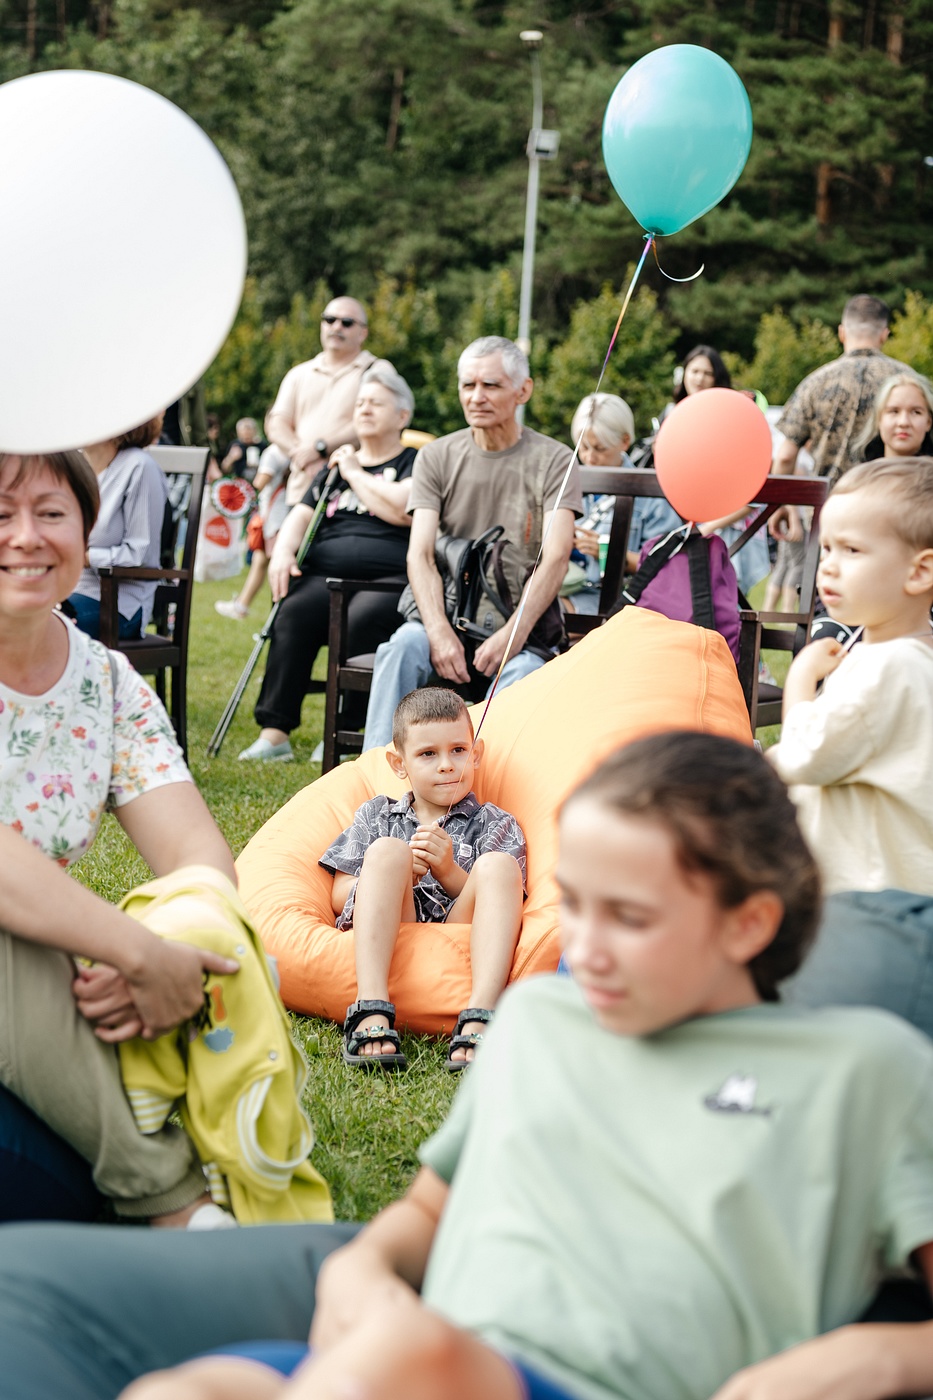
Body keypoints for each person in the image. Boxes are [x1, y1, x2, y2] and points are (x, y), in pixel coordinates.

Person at [121, 731, 933, 1400]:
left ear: (747, 923)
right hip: (418, 1366)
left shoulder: (863, 1070)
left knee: (411, 1359)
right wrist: (360, 1266)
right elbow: (432, 1212)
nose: (585, 946)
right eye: (573, 904)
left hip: (568, 1383)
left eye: (631, 918)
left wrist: (879, 1358)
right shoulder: (537, 1020)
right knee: (181, 1392)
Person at [0, 449, 241, 1226]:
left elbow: (198, 858)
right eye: (1, 515)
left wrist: (176, 949)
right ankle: (172, 1199)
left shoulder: (105, 683)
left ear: (85, 529)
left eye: (51, 513)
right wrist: (134, 951)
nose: (26, 537)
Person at [769, 457, 933, 1037]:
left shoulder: (882, 669)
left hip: (864, 909)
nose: (829, 567)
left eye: (853, 551)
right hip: (908, 900)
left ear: (920, 572)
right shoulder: (910, 658)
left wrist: (800, 681)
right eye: (827, 547)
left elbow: (802, 755)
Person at [362, 336, 581, 751]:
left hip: (519, 627)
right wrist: (438, 631)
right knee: (403, 647)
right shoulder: (436, 456)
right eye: (468, 385)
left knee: (525, 674)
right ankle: (377, 787)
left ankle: (493, 797)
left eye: (491, 385)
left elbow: (555, 558)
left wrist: (511, 636)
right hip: (447, 613)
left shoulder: (554, 459)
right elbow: (421, 555)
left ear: (524, 390)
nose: (476, 397)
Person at [320, 688, 525, 1072]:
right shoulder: (378, 814)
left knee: (499, 866)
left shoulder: (495, 823)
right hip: (398, 925)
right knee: (386, 851)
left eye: (459, 751)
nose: (447, 765)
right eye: (428, 754)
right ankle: (371, 1008)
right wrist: (399, 878)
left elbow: (505, 902)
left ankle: (481, 1012)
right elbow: (338, 894)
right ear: (400, 764)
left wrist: (447, 871)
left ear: (476, 753)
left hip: (458, 928)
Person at [239, 366, 417, 762]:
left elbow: (403, 508)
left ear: (402, 416)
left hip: (386, 580)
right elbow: (300, 516)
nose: (364, 409)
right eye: (360, 403)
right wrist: (282, 553)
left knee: (362, 619)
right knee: (293, 611)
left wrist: (355, 472)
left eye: (376, 402)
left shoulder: (413, 462)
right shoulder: (332, 470)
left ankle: (344, 730)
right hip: (324, 574)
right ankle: (274, 732)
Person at [772, 295, 911, 533]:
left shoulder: (815, 382)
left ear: (841, 333)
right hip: (891, 508)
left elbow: (785, 457)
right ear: (884, 335)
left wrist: (778, 504)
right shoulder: (907, 382)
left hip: (828, 510)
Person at [265, 296, 395, 507]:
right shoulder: (299, 373)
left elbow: (378, 421)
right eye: (329, 319)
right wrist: (302, 455)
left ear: (363, 333)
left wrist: (320, 448)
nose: (336, 327)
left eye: (347, 322)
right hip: (301, 493)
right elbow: (276, 424)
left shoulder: (378, 370)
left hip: (354, 498)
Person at [562, 393, 680, 616]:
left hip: (624, 602)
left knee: (544, 619)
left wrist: (608, 552)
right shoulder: (566, 481)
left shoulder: (650, 495)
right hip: (563, 589)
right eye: (583, 447)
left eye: (600, 449)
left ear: (625, 441)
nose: (589, 457)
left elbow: (668, 565)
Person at [67, 414, 168, 640]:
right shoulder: (74, 466)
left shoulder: (140, 467)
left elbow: (139, 553)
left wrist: (87, 557)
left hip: (119, 602)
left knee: (40, 626)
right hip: (65, 589)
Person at [855, 370, 933, 462]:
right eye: (894, 411)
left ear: (928, 422)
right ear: (879, 419)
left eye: (916, 412)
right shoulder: (861, 475)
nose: (904, 422)